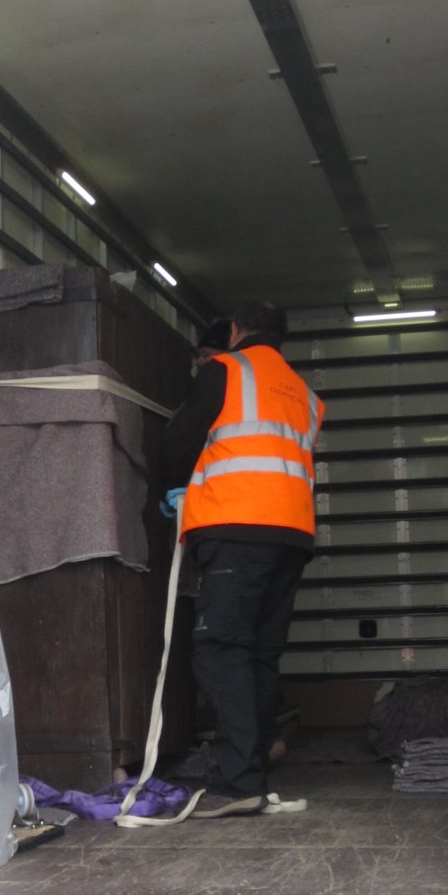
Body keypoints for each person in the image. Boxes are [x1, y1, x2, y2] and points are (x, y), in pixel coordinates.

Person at [160, 301, 324, 817]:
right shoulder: (304, 393)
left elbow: (180, 438)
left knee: (220, 648)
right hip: (292, 534)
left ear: (235, 331)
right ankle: (250, 772)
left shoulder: (225, 371)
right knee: (258, 654)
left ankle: (237, 782)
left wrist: (171, 487)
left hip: (235, 527)